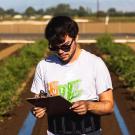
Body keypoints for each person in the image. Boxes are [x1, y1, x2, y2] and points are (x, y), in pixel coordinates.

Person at [31, 16, 114, 135]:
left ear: (76, 37)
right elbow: (38, 99)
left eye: (65, 46)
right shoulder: (44, 66)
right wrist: (37, 109)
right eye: (54, 47)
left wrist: (88, 105)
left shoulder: (95, 63)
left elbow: (109, 106)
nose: (60, 52)